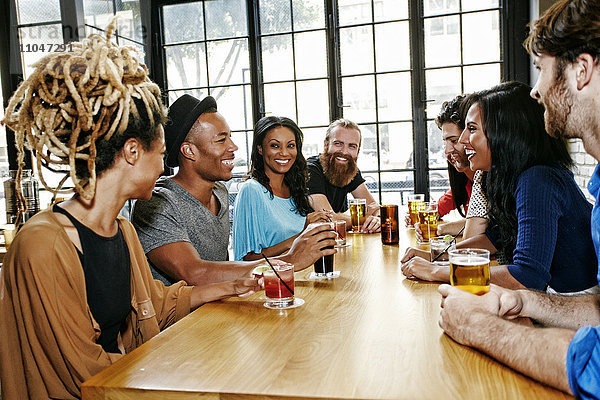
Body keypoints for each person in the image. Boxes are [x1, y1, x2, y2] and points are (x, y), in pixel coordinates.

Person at [0, 24, 261, 399]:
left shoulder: (120, 230)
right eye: (160, 153)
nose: (163, 167)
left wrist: (230, 286)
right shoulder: (44, 244)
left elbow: (155, 305)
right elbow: (82, 372)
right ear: (133, 152)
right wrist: (184, 374)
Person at [440, 2, 600, 393]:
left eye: (542, 69)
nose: (536, 89)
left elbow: (594, 369)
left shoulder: (539, 179)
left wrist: (480, 328)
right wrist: (525, 304)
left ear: (581, 71)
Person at [402, 81, 598, 294]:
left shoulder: (538, 179)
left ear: (505, 134)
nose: (462, 139)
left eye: (472, 129)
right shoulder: (514, 178)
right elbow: (494, 238)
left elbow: (527, 276)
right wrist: (438, 257)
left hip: (576, 302)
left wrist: (437, 271)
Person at [132, 97, 336, 285]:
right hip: (185, 322)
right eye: (221, 140)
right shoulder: (156, 204)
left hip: (223, 307)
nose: (234, 146)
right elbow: (194, 272)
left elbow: (225, 268)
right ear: (189, 151)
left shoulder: (220, 191)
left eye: (230, 138)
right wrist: (289, 260)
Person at [233, 116, 330, 261]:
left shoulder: (295, 188)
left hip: (304, 274)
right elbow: (247, 259)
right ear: (260, 148)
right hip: (272, 282)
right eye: (275, 145)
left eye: (290, 145)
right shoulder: (251, 190)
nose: (284, 153)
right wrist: (303, 233)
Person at [409, 94, 476, 238]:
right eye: (445, 141)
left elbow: (482, 224)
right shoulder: (466, 179)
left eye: (453, 140)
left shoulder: (490, 179)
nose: (447, 151)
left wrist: (440, 229)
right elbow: (444, 202)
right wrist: (420, 217)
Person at [307, 119, 381, 233]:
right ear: (326, 144)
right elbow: (330, 220)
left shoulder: (349, 167)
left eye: (352, 146)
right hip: (305, 243)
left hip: (335, 240)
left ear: (358, 150)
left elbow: (374, 207)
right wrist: (364, 219)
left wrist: (376, 220)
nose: (344, 152)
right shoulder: (310, 169)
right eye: (338, 143)